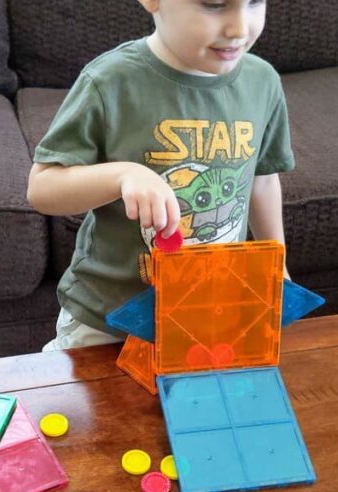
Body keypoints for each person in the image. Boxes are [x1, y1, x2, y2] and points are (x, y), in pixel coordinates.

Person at [27, 0, 294, 351]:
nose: (239, 28)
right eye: (215, 5)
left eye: (255, 2)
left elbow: (261, 180)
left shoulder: (263, 83)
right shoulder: (109, 82)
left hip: (206, 311)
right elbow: (43, 187)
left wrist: (278, 264)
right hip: (107, 318)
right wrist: (123, 175)